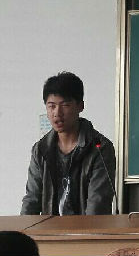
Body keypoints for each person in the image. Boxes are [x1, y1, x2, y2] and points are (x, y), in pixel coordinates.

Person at [21, 72, 115, 216]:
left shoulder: (100, 148)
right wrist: (22, 229)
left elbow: (98, 204)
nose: (57, 113)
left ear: (80, 106)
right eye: (51, 106)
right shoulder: (40, 150)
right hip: (49, 229)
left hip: (87, 228)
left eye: (65, 105)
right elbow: (31, 200)